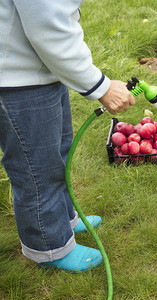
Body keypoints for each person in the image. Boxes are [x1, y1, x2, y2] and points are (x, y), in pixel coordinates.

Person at [0, 1, 135, 272]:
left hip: (37, 67)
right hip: (17, 78)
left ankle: (63, 220)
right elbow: (47, 24)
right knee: (37, 172)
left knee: (58, 154)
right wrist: (102, 87)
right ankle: (50, 248)